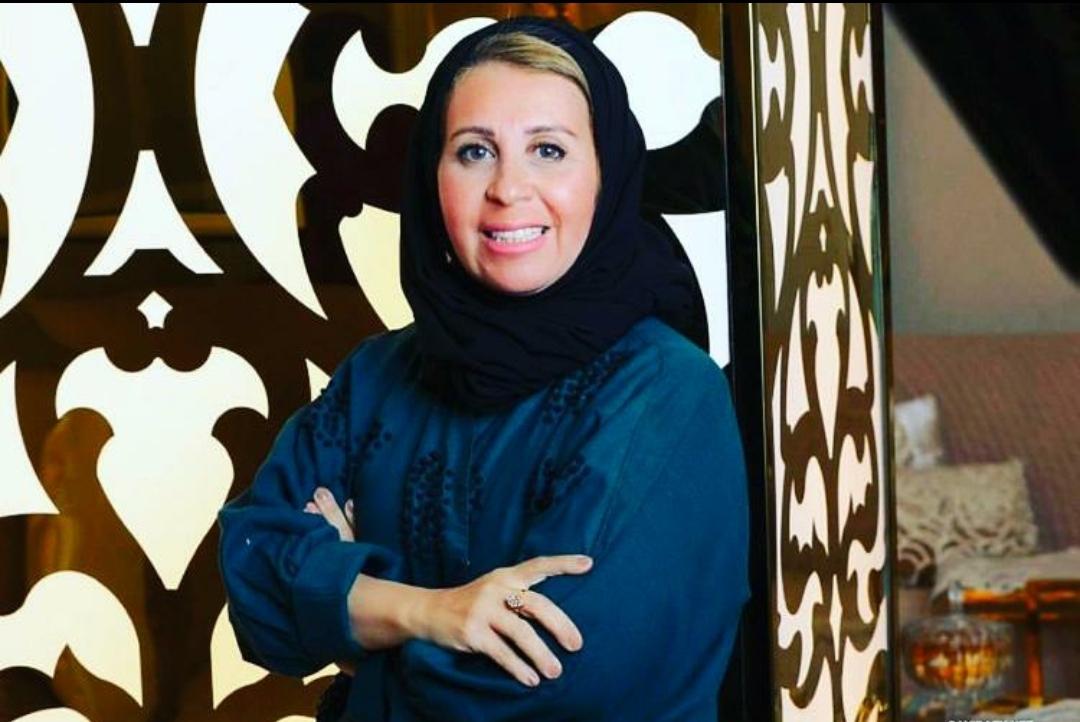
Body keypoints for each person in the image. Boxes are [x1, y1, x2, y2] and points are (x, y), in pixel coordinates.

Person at [217, 15, 749, 722]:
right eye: (474, 151)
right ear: (431, 176)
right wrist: (427, 612)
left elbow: (558, 680)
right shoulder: (377, 376)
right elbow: (255, 580)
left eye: (549, 150)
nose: (508, 188)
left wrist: (355, 630)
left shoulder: (667, 392)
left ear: (607, 175)